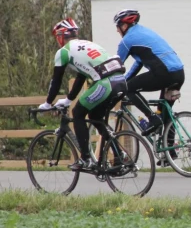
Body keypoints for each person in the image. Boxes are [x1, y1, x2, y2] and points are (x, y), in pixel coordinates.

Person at [38, 18, 127, 171]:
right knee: (95, 117)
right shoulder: (86, 44)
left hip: (105, 83)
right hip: (120, 80)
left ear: (60, 36)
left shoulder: (64, 51)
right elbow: (81, 77)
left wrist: (48, 103)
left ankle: (86, 159)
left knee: (77, 113)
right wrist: (67, 99)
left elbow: (57, 79)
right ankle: (119, 156)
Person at [113, 9, 185, 137]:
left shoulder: (126, 40)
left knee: (128, 89)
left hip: (164, 73)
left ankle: (152, 118)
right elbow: (138, 63)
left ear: (124, 25)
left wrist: (121, 83)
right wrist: (126, 78)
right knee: (165, 113)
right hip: (179, 73)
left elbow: (115, 66)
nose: (117, 30)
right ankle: (169, 154)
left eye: (117, 27)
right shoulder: (145, 32)